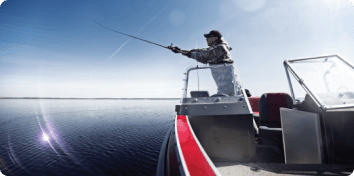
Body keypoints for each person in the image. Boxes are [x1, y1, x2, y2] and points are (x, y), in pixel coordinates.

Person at [171, 30, 245, 97]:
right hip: (225, 90)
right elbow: (200, 50)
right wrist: (180, 50)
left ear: (215, 38)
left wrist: (183, 53)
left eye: (209, 37)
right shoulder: (216, 48)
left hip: (231, 91)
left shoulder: (221, 48)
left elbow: (203, 56)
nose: (206, 39)